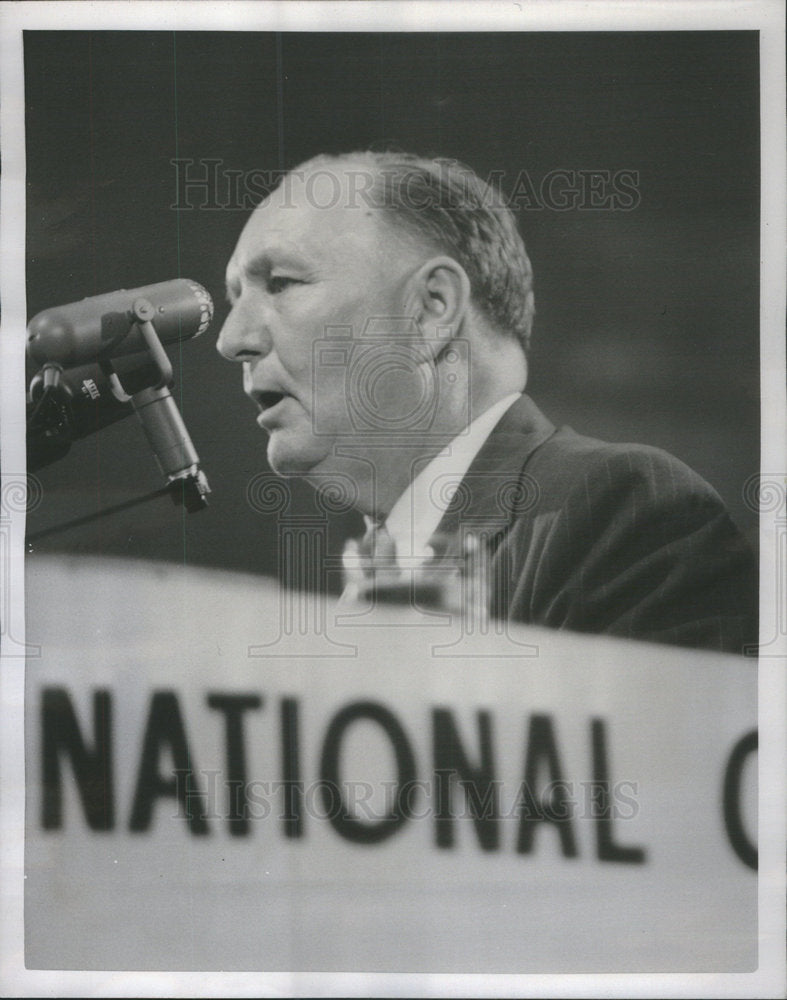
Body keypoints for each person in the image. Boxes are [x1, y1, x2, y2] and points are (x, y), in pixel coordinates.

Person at [217, 150, 757, 654]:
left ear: (432, 308)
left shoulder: (616, 509)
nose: (230, 339)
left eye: (281, 283)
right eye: (235, 297)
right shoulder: (360, 580)